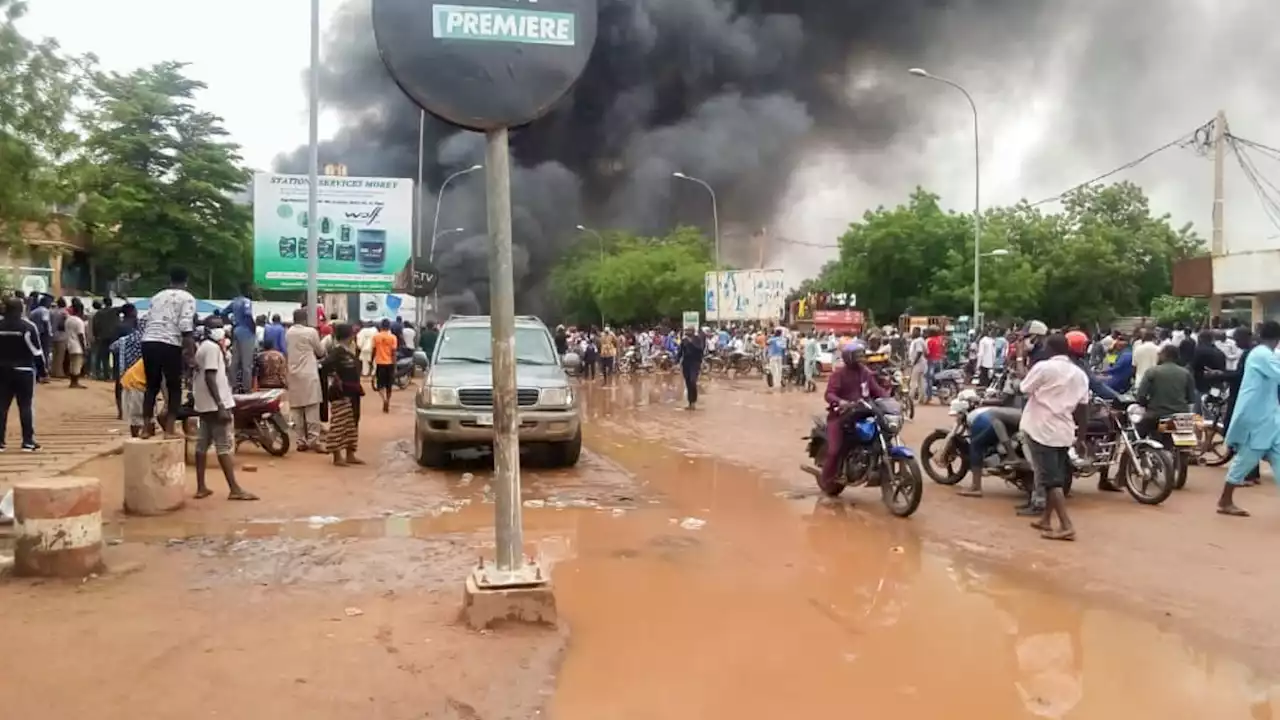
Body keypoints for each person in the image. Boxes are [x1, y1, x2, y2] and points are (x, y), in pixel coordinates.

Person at [1019, 334, 1089, 540]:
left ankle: (1066, 525)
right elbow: (1084, 407)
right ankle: (1046, 520)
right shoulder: (1079, 374)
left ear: (1049, 349)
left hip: (1041, 429)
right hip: (1065, 431)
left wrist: (1019, 361)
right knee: (1054, 475)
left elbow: (1024, 388)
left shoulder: (1043, 368)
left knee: (1051, 481)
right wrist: (1081, 437)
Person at [1217, 320, 1280, 517]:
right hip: (1257, 417)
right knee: (1247, 458)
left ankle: (1225, 500)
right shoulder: (1262, 354)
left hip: (1268, 415)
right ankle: (1225, 500)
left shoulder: (1264, 354)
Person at [191, 316, 257, 502]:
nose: (222, 330)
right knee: (223, 445)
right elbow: (211, 377)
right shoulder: (212, 349)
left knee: (202, 444)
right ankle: (234, 489)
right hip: (215, 403)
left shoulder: (205, 347)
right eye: (217, 327)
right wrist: (220, 405)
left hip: (205, 403)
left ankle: (201, 487)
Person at [819, 342, 887, 489]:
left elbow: (876, 390)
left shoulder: (865, 372)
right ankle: (826, 479)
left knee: (883, 432)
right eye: (857, 355)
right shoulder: (839, 374)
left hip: (863, 413)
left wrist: (888, 397)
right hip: (840, 415)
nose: (860, 358)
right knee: (834, 450)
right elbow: (829, 394)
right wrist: (841, 402)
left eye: (861, 355)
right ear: (848, 357)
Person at [141, 268, 197, 438]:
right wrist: (190, 354)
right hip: (170, 343)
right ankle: (170, 429)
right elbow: (185, 326)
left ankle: (145, 427)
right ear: (186, 281)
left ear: (170, 280)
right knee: (174, 386)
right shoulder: (187, 298)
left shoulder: (157, 296)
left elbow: (148, 318)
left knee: (151, 386)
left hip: (149, 341)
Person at [0, 297, 45, 451]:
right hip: (24, 370)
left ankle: (0, 442)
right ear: (21, 309)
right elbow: (37, 351)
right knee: (25, 406)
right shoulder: (27, 327)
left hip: (2, 371)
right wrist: (42, 371)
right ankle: (27, 441)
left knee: (2, 406)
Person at [321, 323, 365, 466]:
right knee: (340, 424)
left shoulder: (349, 352)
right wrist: (334, 377)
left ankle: (350, 453)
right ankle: (337, 456)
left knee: (353, 422)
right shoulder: (337, 352)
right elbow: (325, 366)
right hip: (342, 393)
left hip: (353, 392)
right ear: (350, 336)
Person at [1135, 345, 1196, 437]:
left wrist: (1147, 405)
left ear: (1164, 356)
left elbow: (1141, 396)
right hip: (1182, 416)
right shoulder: (1186, 373)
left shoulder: (1152, 372)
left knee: (1136, 432)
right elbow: (1191, 399)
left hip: (1157, 415)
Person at [285, 308, 325, 451]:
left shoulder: (288, 333)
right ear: (305, 319)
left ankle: (301, 441)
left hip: (293, 373)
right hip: (309, 373)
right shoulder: (311, 332)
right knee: (312, 407)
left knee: (296, 409)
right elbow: (320, 351)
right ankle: (314, 440)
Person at [224, 283, 256, 393]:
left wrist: (232, 323)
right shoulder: (246, 301)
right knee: (247, 363)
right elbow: (248, 314)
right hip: (246, 332)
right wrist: (253, 328)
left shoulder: (234, 301)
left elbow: (223, 313)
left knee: (235, 361)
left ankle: (232, 386)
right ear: (247, 290)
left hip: (236, 330)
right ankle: (247, 389)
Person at [675, 327, 705, 409]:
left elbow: (700, 350)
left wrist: (691, 342)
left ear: (692, 332)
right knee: (688, 383)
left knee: (693, 381)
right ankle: (690, 402)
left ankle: (694, 401)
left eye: (688, 331)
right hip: (686, 363)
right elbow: (680, 352)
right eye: (686, 331)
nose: (686, 332)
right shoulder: (684, 340)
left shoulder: (697, 339)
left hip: (695, 363)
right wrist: (676, 362)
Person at [372, 318, 398, 412]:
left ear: (381, 326)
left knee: (380, 386)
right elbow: (394, 353)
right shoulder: (393, 337)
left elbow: (374, 350)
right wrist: (395, 366)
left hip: (380, 363)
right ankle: (388, 400)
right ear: (389, 326)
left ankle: (384, 399)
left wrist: (372, 361)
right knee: (389, 385)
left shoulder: (376, 337)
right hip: (390, 363)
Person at [90, 297, 119, 381]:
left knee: (104, 357)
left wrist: (96, 336)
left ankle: (106, 375)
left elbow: (95, 325)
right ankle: (115, 376)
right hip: (114, 337)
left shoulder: (99, 313)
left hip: (102, 337)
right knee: (115, 356)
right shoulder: (115, 310)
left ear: (104, 303)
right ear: (111, 303)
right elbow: (128, 307)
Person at [63, 303, 87, 389]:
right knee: (77, 364)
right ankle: (75, 382)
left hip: (69, 344)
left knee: (72, 364)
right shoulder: (79, 321)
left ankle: (72, 382)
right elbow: (80, 335)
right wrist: (84, 348)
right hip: (77, 345)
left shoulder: (68, 320)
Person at [49, 297, 67, 378]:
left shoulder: (52, 312)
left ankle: (53, 371)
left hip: (53, 335)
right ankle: (59, 373)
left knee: (54, 355)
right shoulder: (64, 313)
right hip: (61, 336)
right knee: (60, 356)